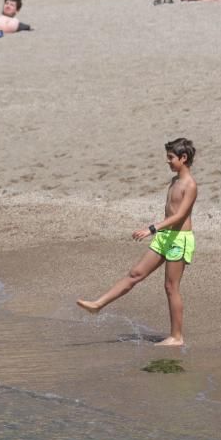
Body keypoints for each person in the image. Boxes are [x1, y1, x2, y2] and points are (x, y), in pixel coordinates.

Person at [76, 138, 198, 347]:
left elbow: (180, 216)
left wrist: (151, 228)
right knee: (135, 274)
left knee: (171, 287)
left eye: (170, 158)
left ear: (183, 158)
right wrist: (158, 231)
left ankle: (176, 337)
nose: (167, 161)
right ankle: (98, 304)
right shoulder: (174, 181)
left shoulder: (190, 185)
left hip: (179, 239)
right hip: (164, 237)